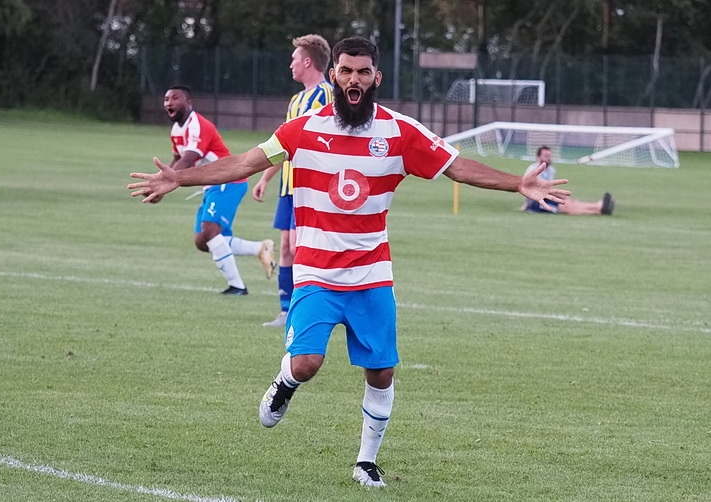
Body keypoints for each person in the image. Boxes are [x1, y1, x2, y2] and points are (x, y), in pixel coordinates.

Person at [130, 37, 571, 487]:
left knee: (381, 371)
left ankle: (365, 462)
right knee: (306, 364)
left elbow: (457, 167)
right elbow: (243, 163)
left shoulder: (400, 132)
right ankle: (285, 382)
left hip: (372, 275)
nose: (354, 79)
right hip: (317, 274)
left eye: (363, 72)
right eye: (346, 71)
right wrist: (179, 177)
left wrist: (518, 183)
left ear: (376, 78)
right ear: (334, 76)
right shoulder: (302, 129)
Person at [163, 85, 276, 295]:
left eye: (175, 98)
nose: (169, 102)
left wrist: (163, 184)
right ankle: (260, 248)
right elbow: (178, 158)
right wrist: (163, 179)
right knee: (202, 240)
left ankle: (237, 287)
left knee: (210, 231)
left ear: (188, 101)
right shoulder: (176, 130)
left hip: (228, 180)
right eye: (166, 99)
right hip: (212, 184)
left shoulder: (197, 125)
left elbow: (188, 158)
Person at [253, 34, 334, 327]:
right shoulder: (297, 99)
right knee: (286, 246)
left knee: (301, 246)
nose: (291, 64)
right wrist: (265, 177)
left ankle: (307, 311)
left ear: (308, 62)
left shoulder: (326, 94)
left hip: (310, 187)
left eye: (294, 59)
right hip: (288, 186)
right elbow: (283, 144)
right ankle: (286, 311)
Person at [522, 146, 614, 215]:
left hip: (546, 197)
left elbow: (549, 189)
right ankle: (598, 209)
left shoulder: (551, 170)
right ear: (538, 157)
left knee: (568, 203)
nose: (549, 158)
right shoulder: (533, 170)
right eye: (546, 156)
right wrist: (562, 196)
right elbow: (540, 189)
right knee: (565, 207)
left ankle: (598, 207)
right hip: (535, 202)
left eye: (550, 156)